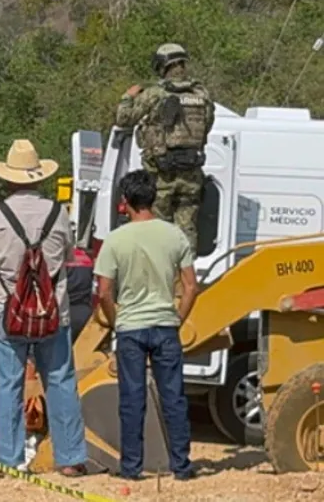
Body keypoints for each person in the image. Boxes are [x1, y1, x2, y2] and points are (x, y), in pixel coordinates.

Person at [0, 139, 88, 477]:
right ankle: (70, 457)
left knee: (8, 384)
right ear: (39, 177)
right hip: (53, 312)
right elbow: (68, 257)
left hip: (7, 311)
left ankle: (9, 458)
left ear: (8, 178)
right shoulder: (59, 213)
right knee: (61, 380)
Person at [94, 170, 199, 481]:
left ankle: (131, 467)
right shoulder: (175, 235)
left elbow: (103, 291)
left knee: (132, 399)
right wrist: (177, 318)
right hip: (165, 324)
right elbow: (191, 286)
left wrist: (116, 321)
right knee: (174, 397)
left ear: (125, 202)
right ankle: (181, 466)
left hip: (130, 327)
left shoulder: (115, 240)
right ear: (153, 198)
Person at [114, 43, 214, 246]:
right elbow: (207, 127)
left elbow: (124, 119)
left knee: (158, 231)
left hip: (161, 175)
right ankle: (184, 274)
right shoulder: (202, 95)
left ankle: (162, 275)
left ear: (162, 66)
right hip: (191, 175)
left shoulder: (155, 94)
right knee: (187, 231)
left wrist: (128, 97)